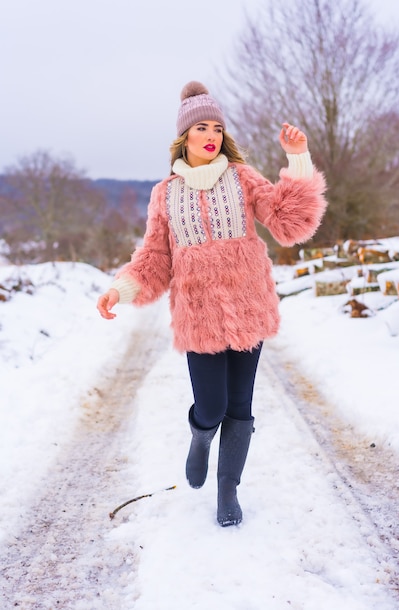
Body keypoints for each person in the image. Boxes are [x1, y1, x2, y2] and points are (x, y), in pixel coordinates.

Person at [97, 81, 327, 527]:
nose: (211, 135)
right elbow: (154, 258)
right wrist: (119, 290)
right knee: (212, 406)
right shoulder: (165, 194)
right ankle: (200, 437)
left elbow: (289, 221)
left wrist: (298, 158)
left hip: (249, 309)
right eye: (201, 127)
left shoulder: (242, 179)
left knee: (240, 407)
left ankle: (228, 490)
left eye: (217, 128)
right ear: (184, 137)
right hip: (197, 317)